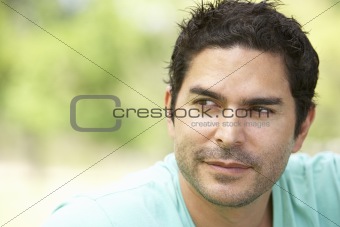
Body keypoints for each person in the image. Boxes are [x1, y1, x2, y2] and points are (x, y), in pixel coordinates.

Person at [43, 0, 340, 226]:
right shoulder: (94, 220)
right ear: (171, 111)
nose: (228, 135)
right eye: (206, 106)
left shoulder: (330, 192)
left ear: (302, 127)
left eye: (260, 111)